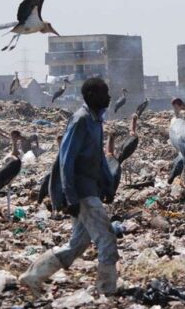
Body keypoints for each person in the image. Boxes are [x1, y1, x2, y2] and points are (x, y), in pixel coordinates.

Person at [19, 77, 119, 295]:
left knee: (78, 244)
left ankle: (33, 276)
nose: (109, 97)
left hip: (91, 189)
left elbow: (99, 157)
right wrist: (70, 197)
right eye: (104, 93)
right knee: (107, 238)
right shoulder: (80, 120)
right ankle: (107, 291)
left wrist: (108, 185)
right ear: (91, 96)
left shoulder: (95, 121)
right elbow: (66, 160)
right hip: (82, 192)